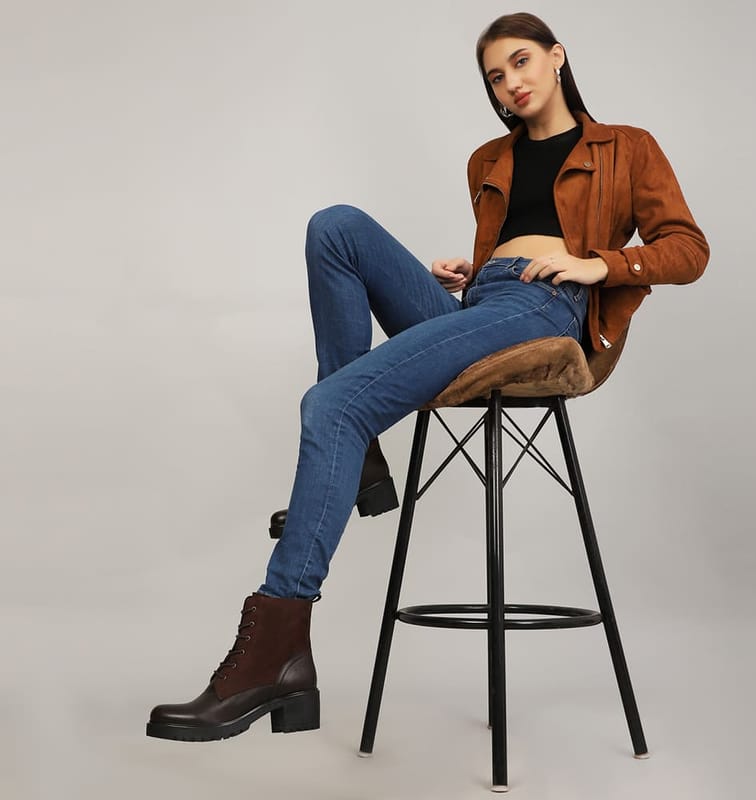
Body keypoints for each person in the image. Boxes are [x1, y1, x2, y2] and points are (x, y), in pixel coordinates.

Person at [146, 12, 709, 742]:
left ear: (557, 56)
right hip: (487, 303)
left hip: (547, 310)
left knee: (332, 404)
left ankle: (277, 650)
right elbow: (503, 262)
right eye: (496, 77)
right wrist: (473, 274)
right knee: (335, 226)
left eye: (521, 62)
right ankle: (358, 467)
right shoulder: (488, 160)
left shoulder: (625, 147)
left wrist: (597, 264)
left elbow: (687, 249)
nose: (510, 83)